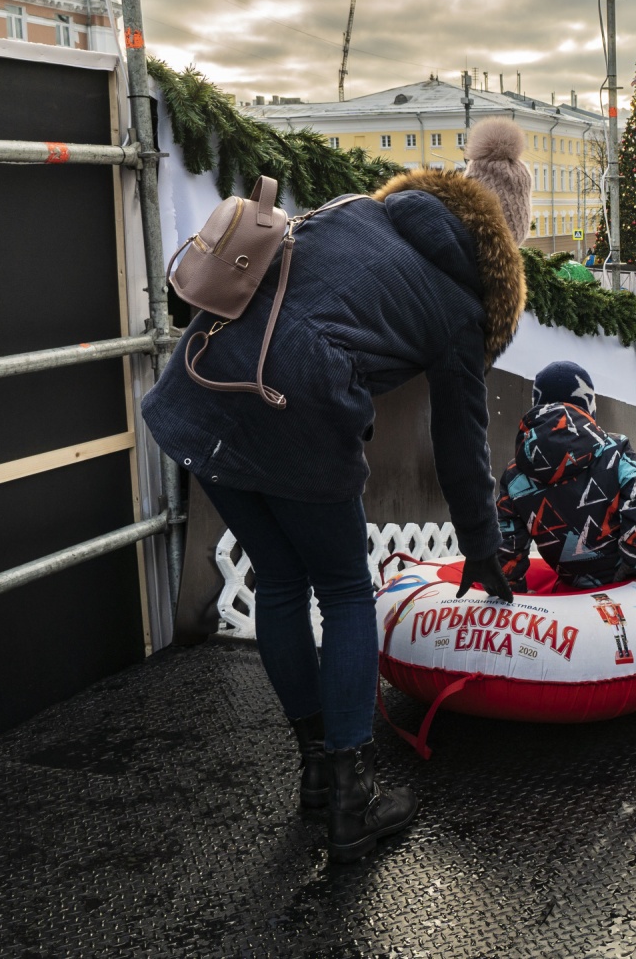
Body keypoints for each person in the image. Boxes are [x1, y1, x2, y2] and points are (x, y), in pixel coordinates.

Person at [140, 120, 530, 864]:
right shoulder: (462, 309)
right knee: (347, 590)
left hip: (202, 390)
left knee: (282, 580)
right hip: (294, 408)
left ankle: (318, 773)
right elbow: (460, 446)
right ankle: (351, 799)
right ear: (503, 242)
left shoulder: (361, 208)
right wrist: (482, 549)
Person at [496, 362, 636, 592]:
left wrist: (510, 585)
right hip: (623, 568)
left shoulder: (515, 473)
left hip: (573, 574)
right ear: (588, 405)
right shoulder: (614, 448)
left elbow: (507, 540)